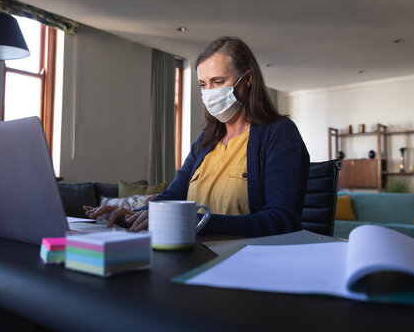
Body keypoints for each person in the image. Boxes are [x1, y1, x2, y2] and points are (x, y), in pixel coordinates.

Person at [85, 36, 310, 237]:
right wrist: (130, 216)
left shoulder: (280, 134)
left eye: (218, 82)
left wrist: (200, 222)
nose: (210, 92)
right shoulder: (205, 141)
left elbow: (283, 220)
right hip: (193, 254)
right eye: (204, 84)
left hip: (244, 260)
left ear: (248, 79)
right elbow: (172, 196)